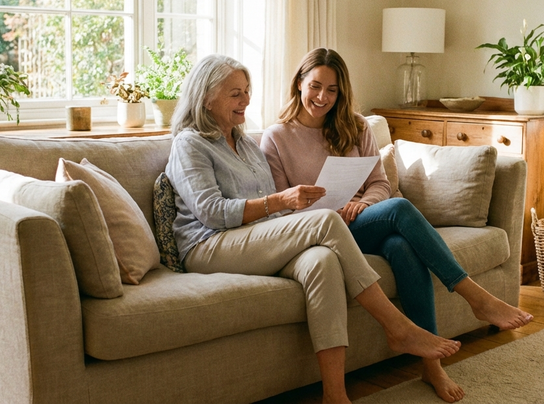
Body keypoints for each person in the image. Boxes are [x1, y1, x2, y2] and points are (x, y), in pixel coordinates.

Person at [165, 54, 461, 404]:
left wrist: (286, 214)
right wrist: (282, 202)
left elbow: (270, 212)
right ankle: (397, 326)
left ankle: (334, 395)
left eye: (247, 91)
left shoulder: (243, 142)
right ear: (206, 97)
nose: (245, 100)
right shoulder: (190, 143)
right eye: (235, 94)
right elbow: (211, 212)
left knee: (322, 260)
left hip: (253, 239)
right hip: (209, 245)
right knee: (325, 221)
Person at [260, 48, 534, 403]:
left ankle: (431, 366)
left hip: (360, 222)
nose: (323, 97)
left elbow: (379, 183)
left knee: (402, 248)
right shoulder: (276, 137)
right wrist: (320, 208)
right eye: (315, 86)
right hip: (319, 233)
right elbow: (281, 211)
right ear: (299, 83)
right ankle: (475, 297)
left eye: (332, 90)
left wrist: (364, 203)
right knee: (401, 209)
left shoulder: (355, 126)